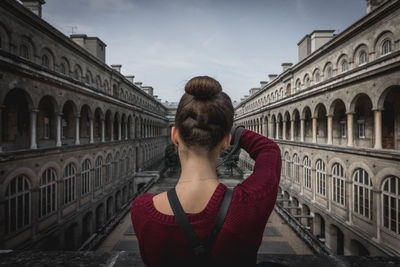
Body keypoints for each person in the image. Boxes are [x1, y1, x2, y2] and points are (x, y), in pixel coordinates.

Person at [131, 76, 281, 266]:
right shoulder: (251, 203)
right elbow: (269, 149)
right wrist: (231, 130)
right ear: (226, 141)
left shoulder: (142, 209)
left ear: (174, 135)